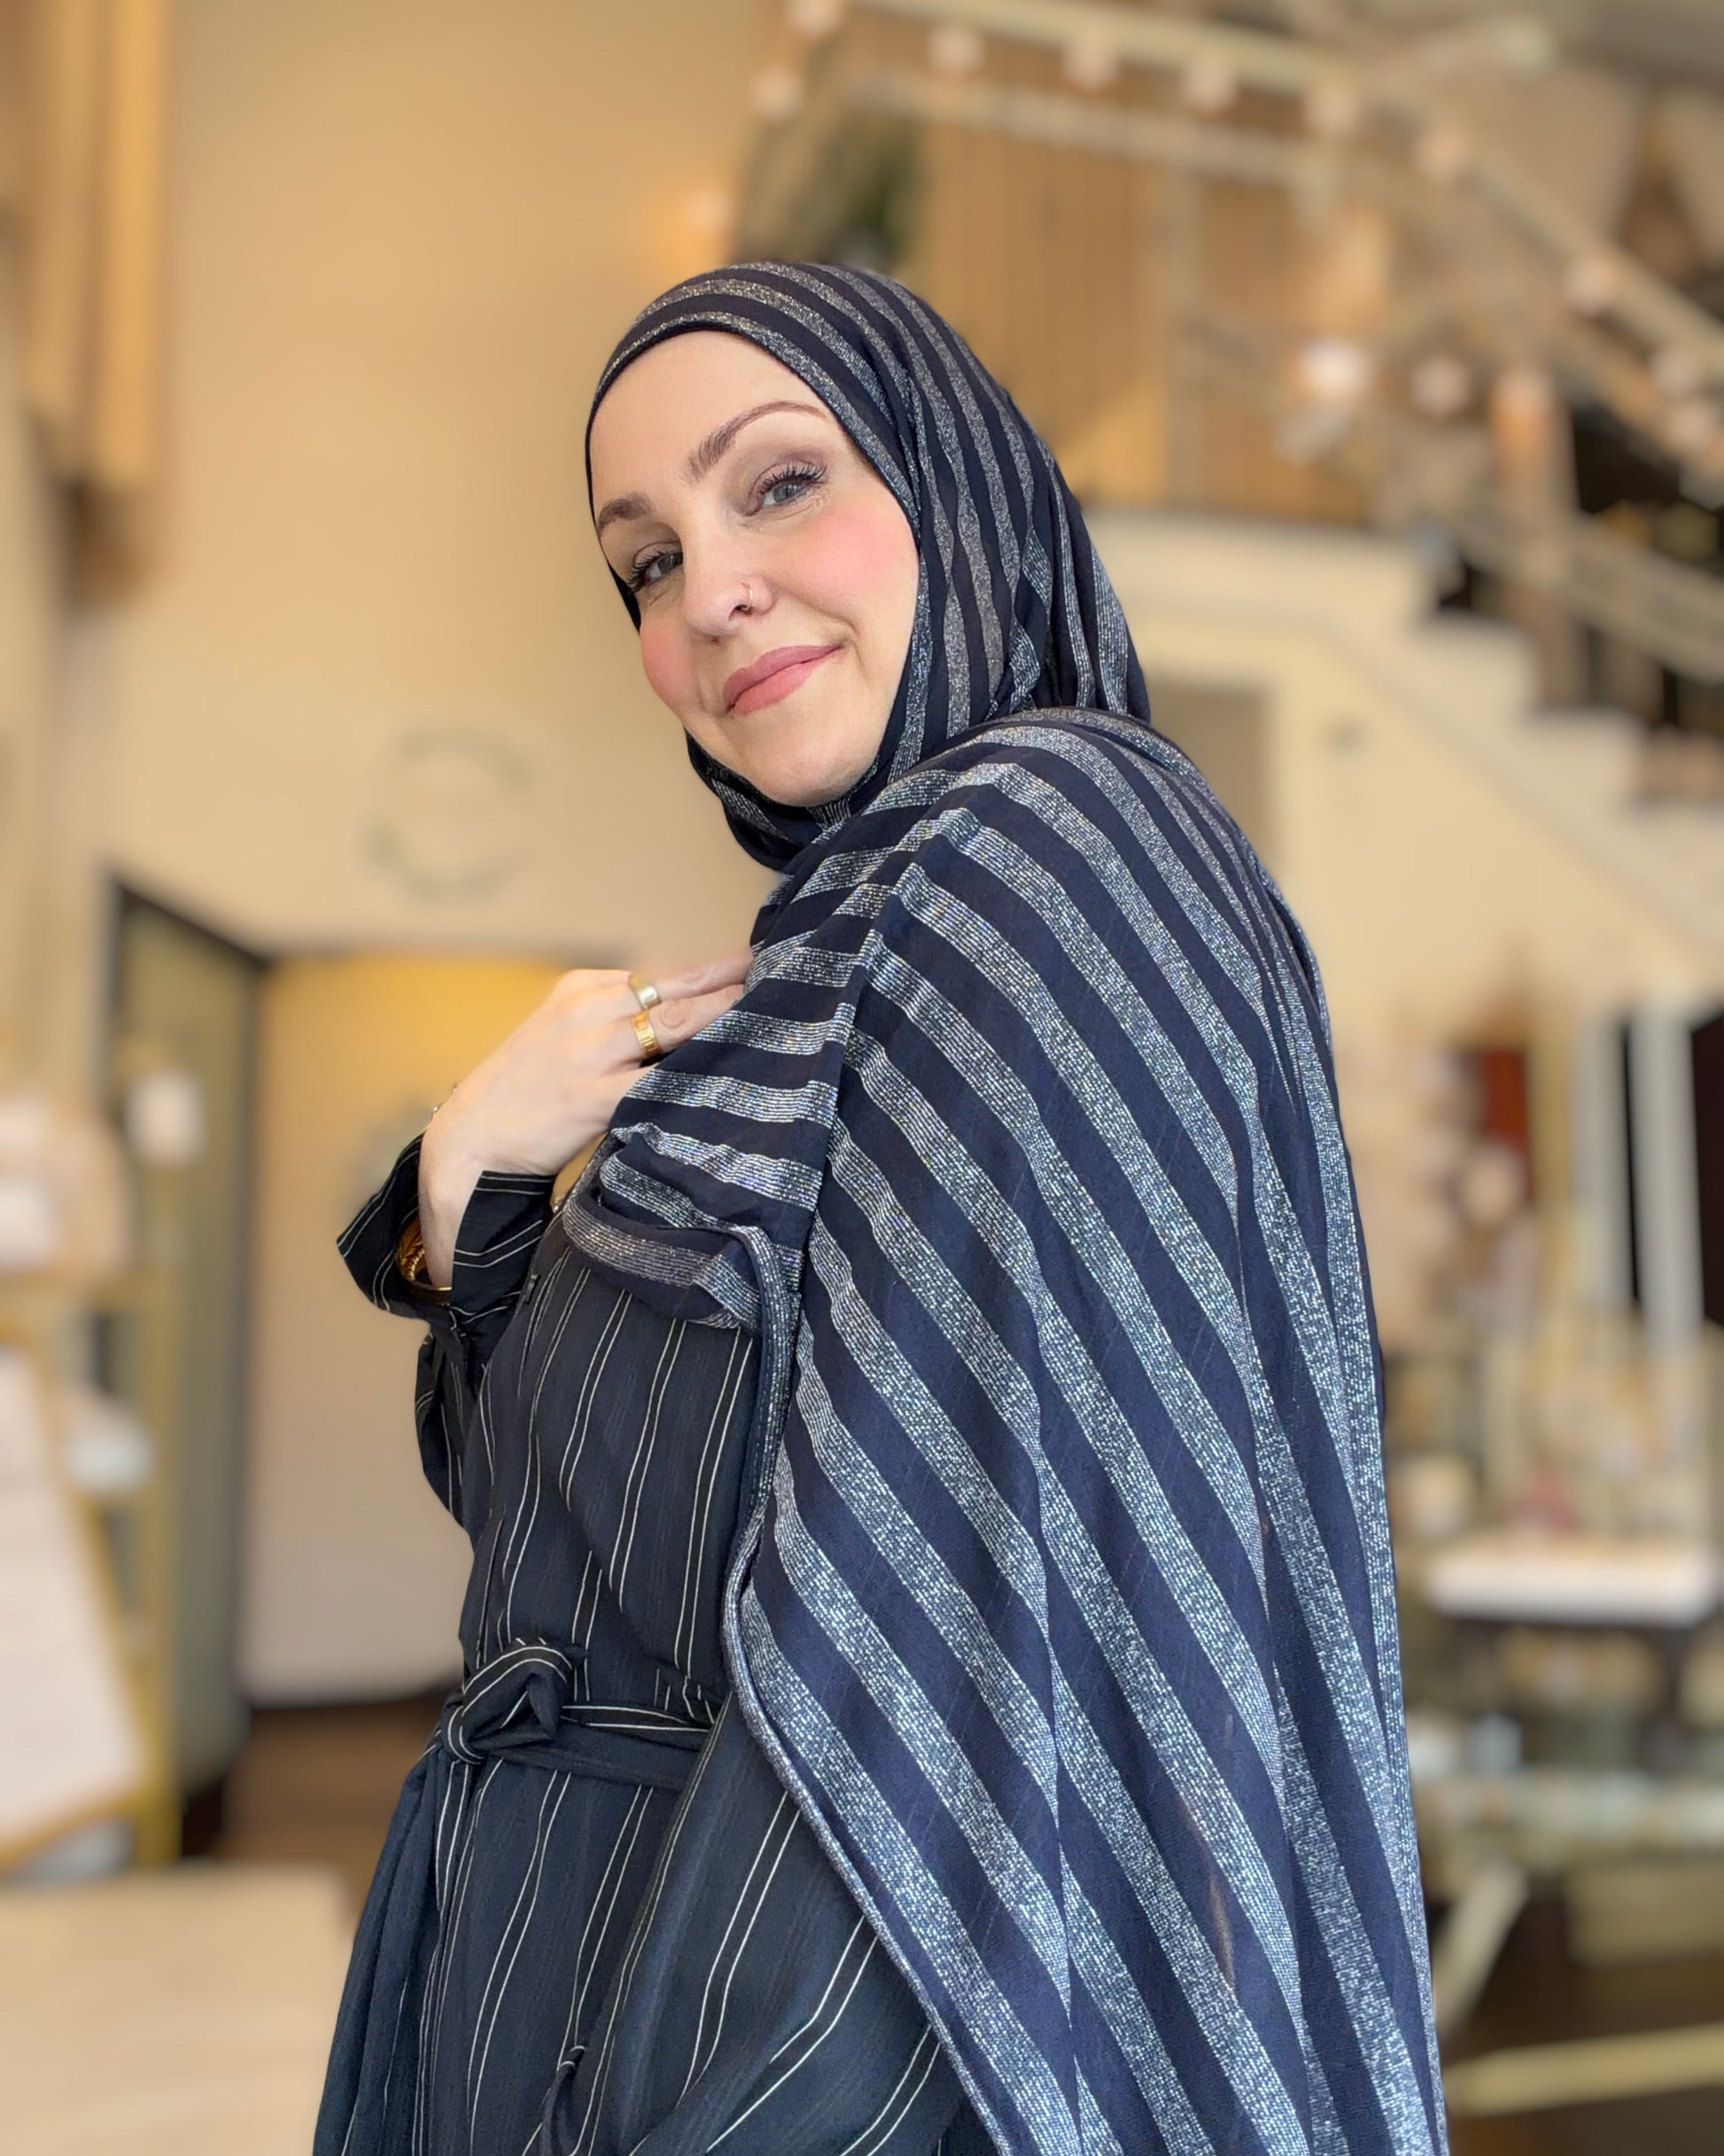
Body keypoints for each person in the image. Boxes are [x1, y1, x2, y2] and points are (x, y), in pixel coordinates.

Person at [317, 262, 1444, 2156]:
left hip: (751, 2049)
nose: (710, 591)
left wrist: (701, 2108)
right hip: (545, 1986)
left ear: (957, 486)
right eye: (644, 561)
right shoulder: (809, 972)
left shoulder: (1047, 860)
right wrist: (474, 1172)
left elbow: (942, 1684)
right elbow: (560, 1526)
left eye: (776, 485)